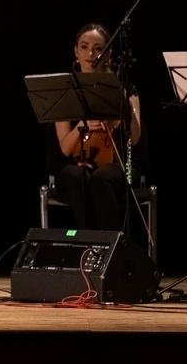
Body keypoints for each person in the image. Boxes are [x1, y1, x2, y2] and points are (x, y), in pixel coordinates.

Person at [52, 23, 142, 231]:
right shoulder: (66, 91)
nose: (91, 54)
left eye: (98, 48)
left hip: (121, 163)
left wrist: (125, 105)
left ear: (108, 53)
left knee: (102, 178)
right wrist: (81, 126)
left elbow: (135, 138)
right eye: (84, 47)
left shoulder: (126, 89)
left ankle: (108, 243)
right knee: (76, 176)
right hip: (77, 162)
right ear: (76, 51)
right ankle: (92, 241)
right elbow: (65, 149)